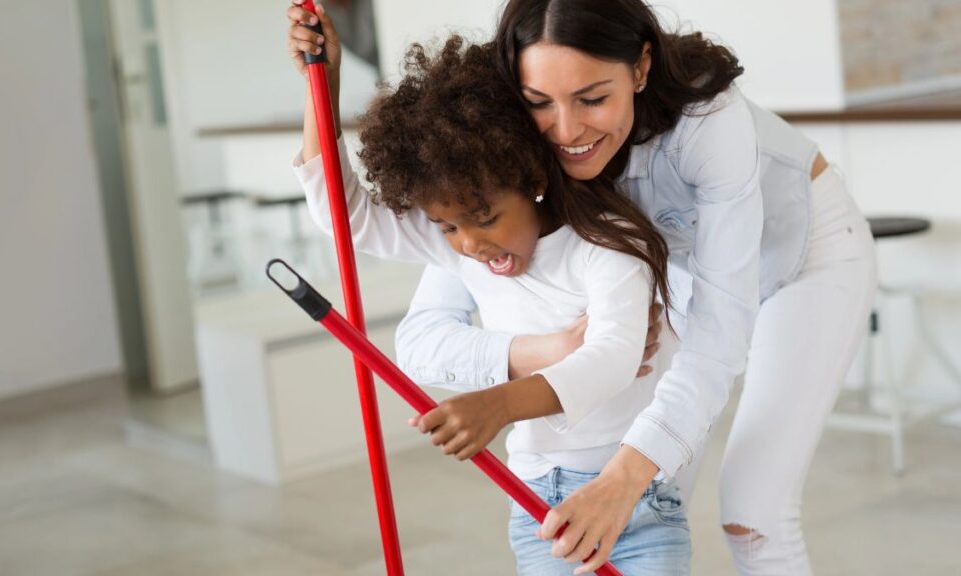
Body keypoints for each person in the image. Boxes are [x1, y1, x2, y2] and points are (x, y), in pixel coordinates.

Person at [389, 1, 878, 574]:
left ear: (641, 68)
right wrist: (545, 352)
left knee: (752, 512)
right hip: (688, 266)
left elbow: (719, 338)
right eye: (539, 102)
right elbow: (422, 312)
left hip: (806, 254)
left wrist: (624, 476)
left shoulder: (706, 121)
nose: (567, 131)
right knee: (649, 496)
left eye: (594, 98)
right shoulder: (521, 135)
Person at [288, 14, 692, 573]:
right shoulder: (459, 246)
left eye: (485, 217)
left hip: (635, 502)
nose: (470, 244)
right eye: (447, 226)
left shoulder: (606, 244)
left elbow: (612, 359)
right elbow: (341, 211)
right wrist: (323, 87)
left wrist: (497, 403)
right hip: (535, 502)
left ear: (532, 177)